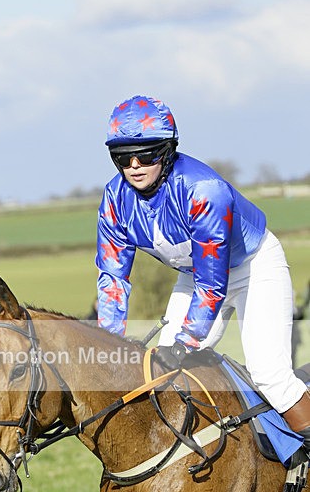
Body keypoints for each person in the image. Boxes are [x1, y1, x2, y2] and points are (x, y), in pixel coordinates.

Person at [96, 94, 310, 456]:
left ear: (167, 151)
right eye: (122, 157)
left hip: (253, 268)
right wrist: (106, 345)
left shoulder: (202, 190)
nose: (134, 166)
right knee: (161, 373)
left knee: (269, 374)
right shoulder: (115, 199)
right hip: (195, 275)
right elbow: (113, 278)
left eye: (145, 154)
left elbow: (213, 286)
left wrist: (187, 342)